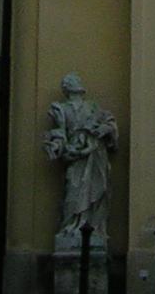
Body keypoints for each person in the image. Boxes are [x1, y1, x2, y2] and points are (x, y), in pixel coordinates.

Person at [43, 72, 118, 243]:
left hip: (94, 155)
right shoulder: (61, 109)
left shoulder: (92, 107)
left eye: (75, 81)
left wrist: (105, 130)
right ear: (67, 88)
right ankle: (71, 227)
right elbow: (60, 134)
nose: (75, 83)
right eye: (70, 82)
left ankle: (92, 229)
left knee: (97, 190)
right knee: (73, 192)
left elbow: (109, 123)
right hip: (74, 154)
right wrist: (55, 146)